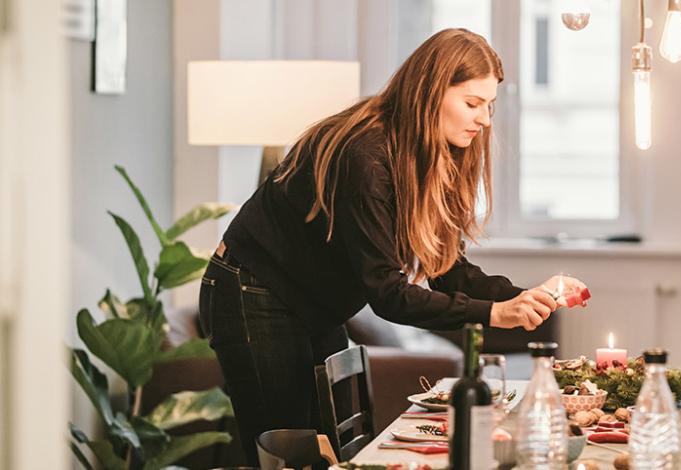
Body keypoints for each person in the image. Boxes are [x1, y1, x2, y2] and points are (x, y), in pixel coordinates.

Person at [198, 28, 589, 462]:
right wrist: (495, 313)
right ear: (429, 93)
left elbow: (447, 270)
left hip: (311, 302)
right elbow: (388, 295)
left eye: (490, 106)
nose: (485, 120)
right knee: (288, 452)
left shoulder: (427, 154)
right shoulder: (366, 158)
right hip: (253, 291)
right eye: (472, 104)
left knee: (329, 452)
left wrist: (522, 298)